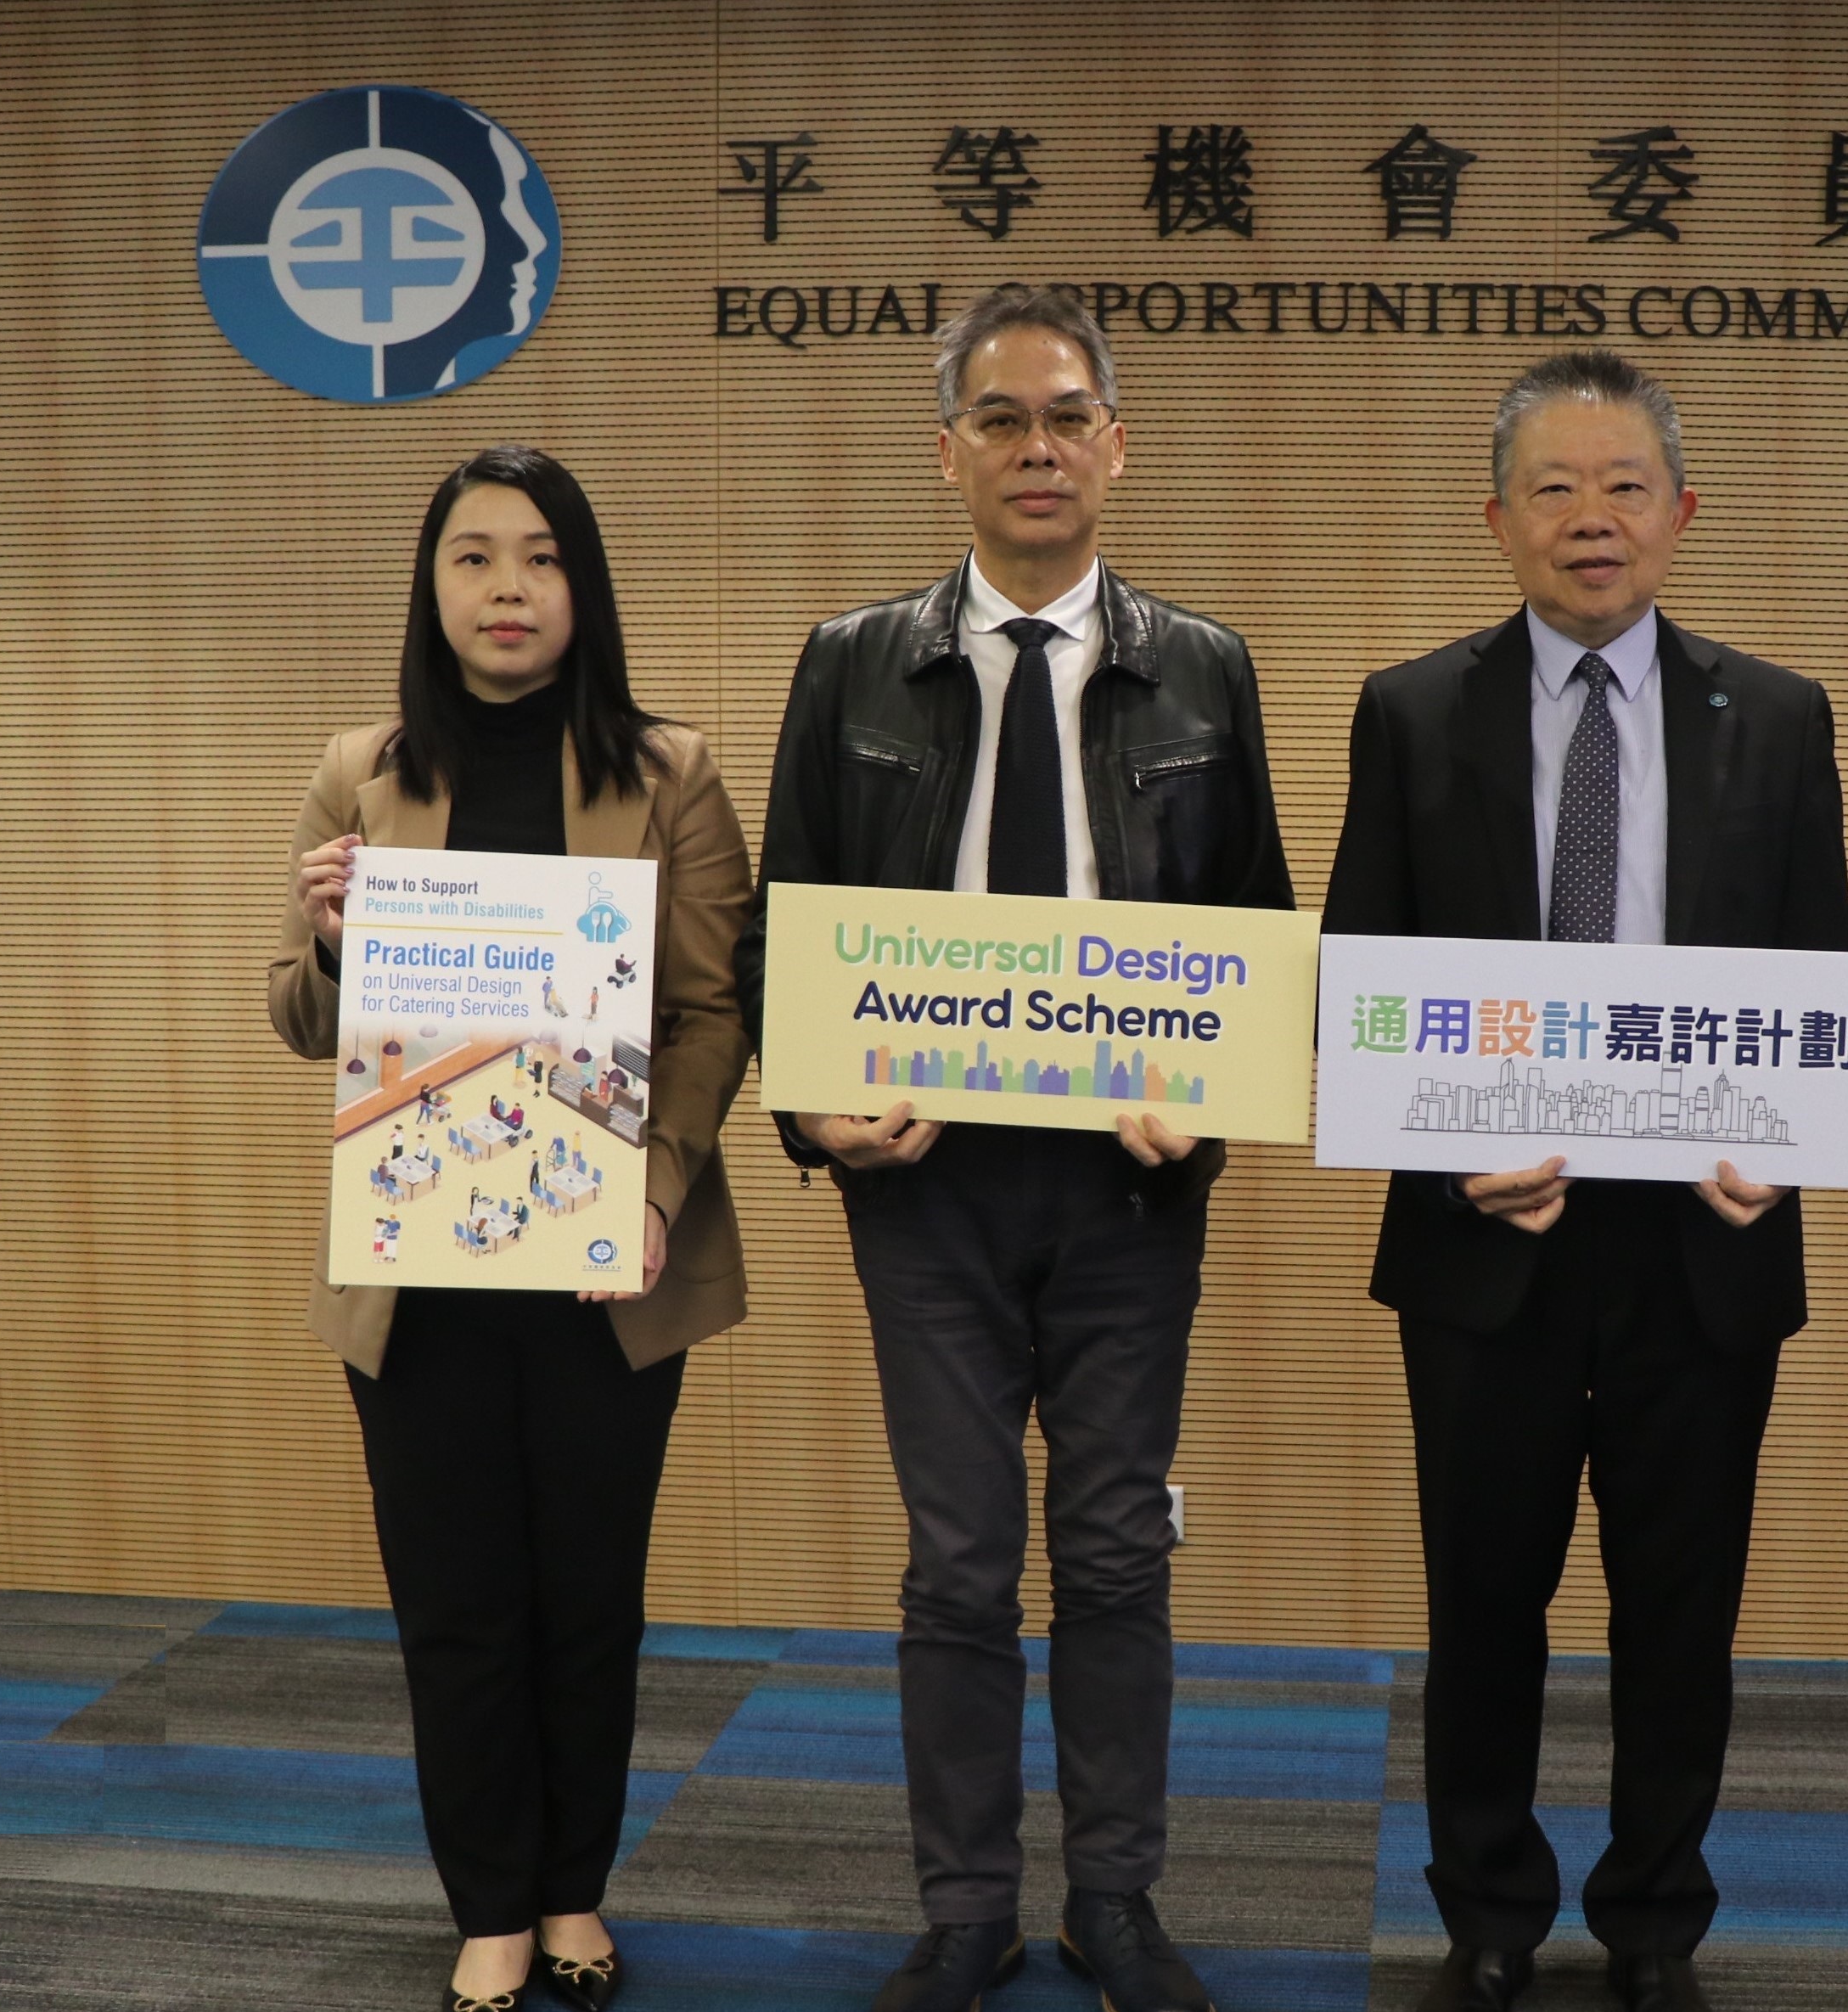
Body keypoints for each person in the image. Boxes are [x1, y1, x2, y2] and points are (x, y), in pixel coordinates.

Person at [735, 284, 1292, 2012]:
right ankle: (967, 1901)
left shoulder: (1202, 668)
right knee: (960, 1558)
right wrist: (811, 1114)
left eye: (1066, 417)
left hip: (1127, 1187)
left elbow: (1255, 933)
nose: (1036, 448)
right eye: (1001, 419)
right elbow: (781, 936)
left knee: (1117, 1551)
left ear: (1114, 445)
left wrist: (1212, 1095)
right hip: (929, 1182)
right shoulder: (850, 665)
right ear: (950, 452)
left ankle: (1112, 1901)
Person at [1320, 351, 1848, 2012]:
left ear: (1682, 514)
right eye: (1552, 488)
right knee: (1482, 1594)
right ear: (1496, 520)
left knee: (1677, 1606)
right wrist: (1446, 1150)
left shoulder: (1775, 716)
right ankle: (1484, 1912)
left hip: (1698, 1242)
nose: (1590, 520)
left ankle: (1648, 1923)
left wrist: (1787, 1152)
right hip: (1491, 1238)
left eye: (1624, 486)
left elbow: (1815, 973)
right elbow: (1359, 981)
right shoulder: (1412, 712)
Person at [269, 446, 755, 2012]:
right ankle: (487, 1897)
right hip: (421, 1268)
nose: (505, 588)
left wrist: (657, 1184)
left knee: (587, 1596)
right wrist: (336, 942)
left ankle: (572, 1891)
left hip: (610, 1267)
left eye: (540, 558)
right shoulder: (362, 768)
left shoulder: (669, 771)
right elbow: (298, 1016)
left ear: (582, 588)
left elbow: (709, 1012)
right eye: (473, 557)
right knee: (457, 1598)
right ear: (432, 584)